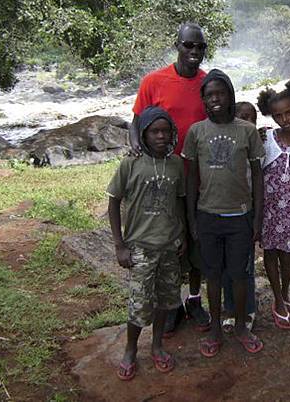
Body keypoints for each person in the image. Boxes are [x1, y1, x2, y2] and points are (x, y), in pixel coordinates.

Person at [129, 22, 210, 335]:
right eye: (188, 45)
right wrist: (137, 149)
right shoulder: (154, 80)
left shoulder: (207, 83)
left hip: (199, 177)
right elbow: (136, 121)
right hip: (163, 178)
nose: (194, 52)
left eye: (199, 47)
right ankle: (171, 303)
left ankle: (194, 298)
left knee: (195, 240)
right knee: (168, 241)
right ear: (177, 45)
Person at [182, 69, 265, 357]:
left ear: (231, 95)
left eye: (221, 93)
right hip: (207, 215)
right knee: (214, 275)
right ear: (203, 100)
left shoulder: (247, 131)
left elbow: (257, 175)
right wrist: (192, 218)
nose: (215, 99)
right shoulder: (196, 132)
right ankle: (216, 328)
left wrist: (257, 217)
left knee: (240, 275)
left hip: (240, 216)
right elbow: (192, 178)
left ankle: (241, 325)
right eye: (209, 95)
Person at [108, 107, 186, 381]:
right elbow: (114, 202)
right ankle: (130, 349)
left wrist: (183, 237)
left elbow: (179, 201)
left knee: (166, 300)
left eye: (166, 131)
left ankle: (157, 346)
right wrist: (119, 245)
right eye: (155, 131)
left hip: (169, 245)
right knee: (139, 303)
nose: (161, 136)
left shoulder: (176, 164)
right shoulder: (131, 163)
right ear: (143, 134)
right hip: (140, 246)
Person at [257, 79, 290, 329]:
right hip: (268, 208)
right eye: (278, 115)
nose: (285, 119)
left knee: (287, 255)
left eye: (289, 112)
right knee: (270, 252)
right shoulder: (266, 137)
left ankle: (286, 292)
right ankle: (277, 299)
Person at [221, 101, 258, 333]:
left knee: (245, 267)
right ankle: (230, 308)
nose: (246, 122)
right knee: (225, 265)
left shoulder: (256, 147)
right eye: (241, 117)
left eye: (251, 118)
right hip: (222, 213)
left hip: (246, 214)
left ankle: (248, 309)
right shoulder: (226, 146)